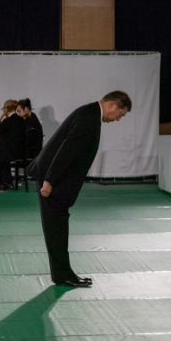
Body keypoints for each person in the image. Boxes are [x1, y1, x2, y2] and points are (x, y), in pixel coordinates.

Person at [28, 91, 131, 288]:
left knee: (56, 226)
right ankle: (63, 275)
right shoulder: (90, 118)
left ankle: (62, 274)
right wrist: (50, 180)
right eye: (121, 114)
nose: (118, 119)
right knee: (56, 227)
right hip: (54, 179)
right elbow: (67, 150)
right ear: (112, 105)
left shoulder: (89, 113)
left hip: (54, 176)